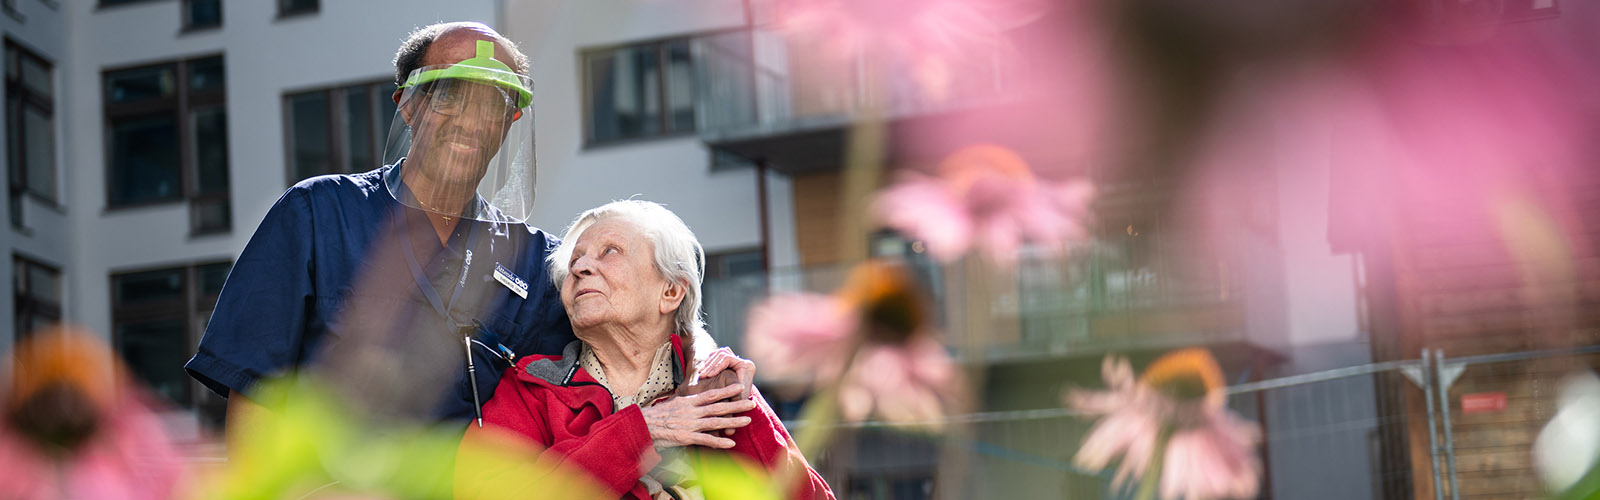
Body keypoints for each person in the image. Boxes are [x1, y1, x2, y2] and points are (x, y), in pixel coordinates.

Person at [184, 22, 574, 435]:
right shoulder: (318, 216)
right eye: (449, 96)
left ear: (511, 121)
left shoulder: (540, 265)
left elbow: (585, 396)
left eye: (492, 105)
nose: (471, 122)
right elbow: (255, 394)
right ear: (407, 105)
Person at [455, 200, 834, 500]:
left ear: (670, 292)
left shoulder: (715, 386)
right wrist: (642, 434)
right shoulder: (529, 390)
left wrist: (740, 404)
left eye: (610, 252)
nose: (582, 267)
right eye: (575, 262)